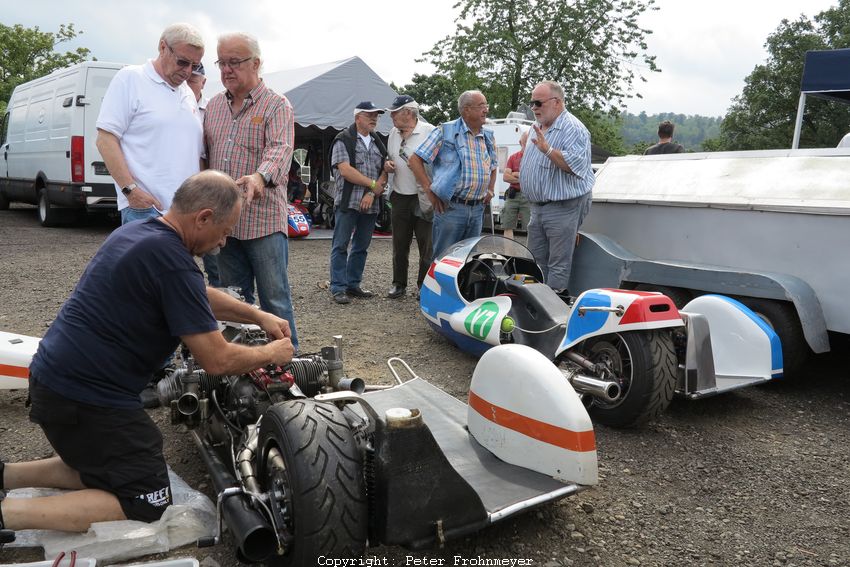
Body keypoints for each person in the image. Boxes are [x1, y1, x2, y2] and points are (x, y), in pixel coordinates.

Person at [0, 171, 294, 533]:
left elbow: (197, 294)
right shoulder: (172, 262)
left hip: (55, 381)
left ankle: (5, 475)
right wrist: (272, 354)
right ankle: (7, 517)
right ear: (202, 217)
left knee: (104, 466)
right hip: (84, 398)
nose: (224, 241)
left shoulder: (141, 233)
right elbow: (217, 360)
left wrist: (257, 314)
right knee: (147, 499)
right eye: (225, 230)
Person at [204, 32, 299, 350]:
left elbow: (281, 150)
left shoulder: (276, 105)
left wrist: (259, 177)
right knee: (234, 300)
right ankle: (243, 371)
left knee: (275, 301)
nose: (227, 69)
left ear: (256, 63)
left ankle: (290, 370)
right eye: (222, 62)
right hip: (224, 226)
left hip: (263, 222)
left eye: (235, 62)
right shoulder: (214, 106)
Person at [96, 23, 205, 225]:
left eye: (195, 66)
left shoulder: (187, 92)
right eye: (182, 62)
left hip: (185, 213)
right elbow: (105, 139)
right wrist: (130, 191)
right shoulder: (131, 78)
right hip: (147, 211)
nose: (188, 71)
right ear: (163, 47)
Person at [520, 81, 594, 295]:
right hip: (538, 207)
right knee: (536, 260)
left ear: (557, 102)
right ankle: (536, 303)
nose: (533, 107)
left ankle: (554, 308)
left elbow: (574, 166)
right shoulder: (538, 127)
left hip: (562, 206)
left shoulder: (573, 128)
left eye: (538, 103)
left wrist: (548, 149)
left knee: (558, 263)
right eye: (532, 103)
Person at [408, 90, 497, 261]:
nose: (486, 110)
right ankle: (438, 289)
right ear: (466, 110)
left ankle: (459, 289)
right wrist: (429, 190)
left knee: (468, 260)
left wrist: (491, 189)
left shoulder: (488, 136)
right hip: (451, 208)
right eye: (481, 106)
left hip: (477, 209)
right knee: (444, 259)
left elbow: (493, 165)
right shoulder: (445, 131)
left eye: (486, 105)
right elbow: (414, 159)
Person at [328, 102, 388, 305]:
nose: (374, 118)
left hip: (371, 203)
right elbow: (345, 170)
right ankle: (338, 287)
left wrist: (372, 193)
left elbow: (384, 171)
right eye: (369, 115)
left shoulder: (378, 142)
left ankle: (353, 285)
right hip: (348, 201)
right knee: (341, 245)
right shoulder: (343, 140)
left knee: (361, 246)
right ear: (357, 118)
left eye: (376, 116)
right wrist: (372, 184)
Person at [383, 95, 435, 299]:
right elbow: (390, 157)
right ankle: (398, 283)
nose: (392, 116)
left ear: (409, 113)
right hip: (400, 196)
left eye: (395, 112)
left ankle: (424, 286)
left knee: (426, 244)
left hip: (422, 196)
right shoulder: (393, 133)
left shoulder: (429, 131)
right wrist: (387, 165)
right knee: (399, 243)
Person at [186, 62, 220, 287]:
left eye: (193, 79)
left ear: (203, 82)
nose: (188, 84)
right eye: (186, 78)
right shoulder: (173, 105)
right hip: (182, 190)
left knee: (215, 257)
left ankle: (221, 299)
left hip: (207, 190)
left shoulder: (214, 110)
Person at [500, 131, 531, 240]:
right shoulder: (513, 157)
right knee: (507, 226)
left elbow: (533, 178)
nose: (527, 145)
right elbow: (505, 177)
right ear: (520, 142)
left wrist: (515, 173)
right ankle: (509, 254)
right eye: (525, 142)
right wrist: (523, 177)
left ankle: (529, 255)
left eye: (530, 142)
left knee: (531, 228)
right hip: (512, 196)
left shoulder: (535, 157)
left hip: (529, 195)